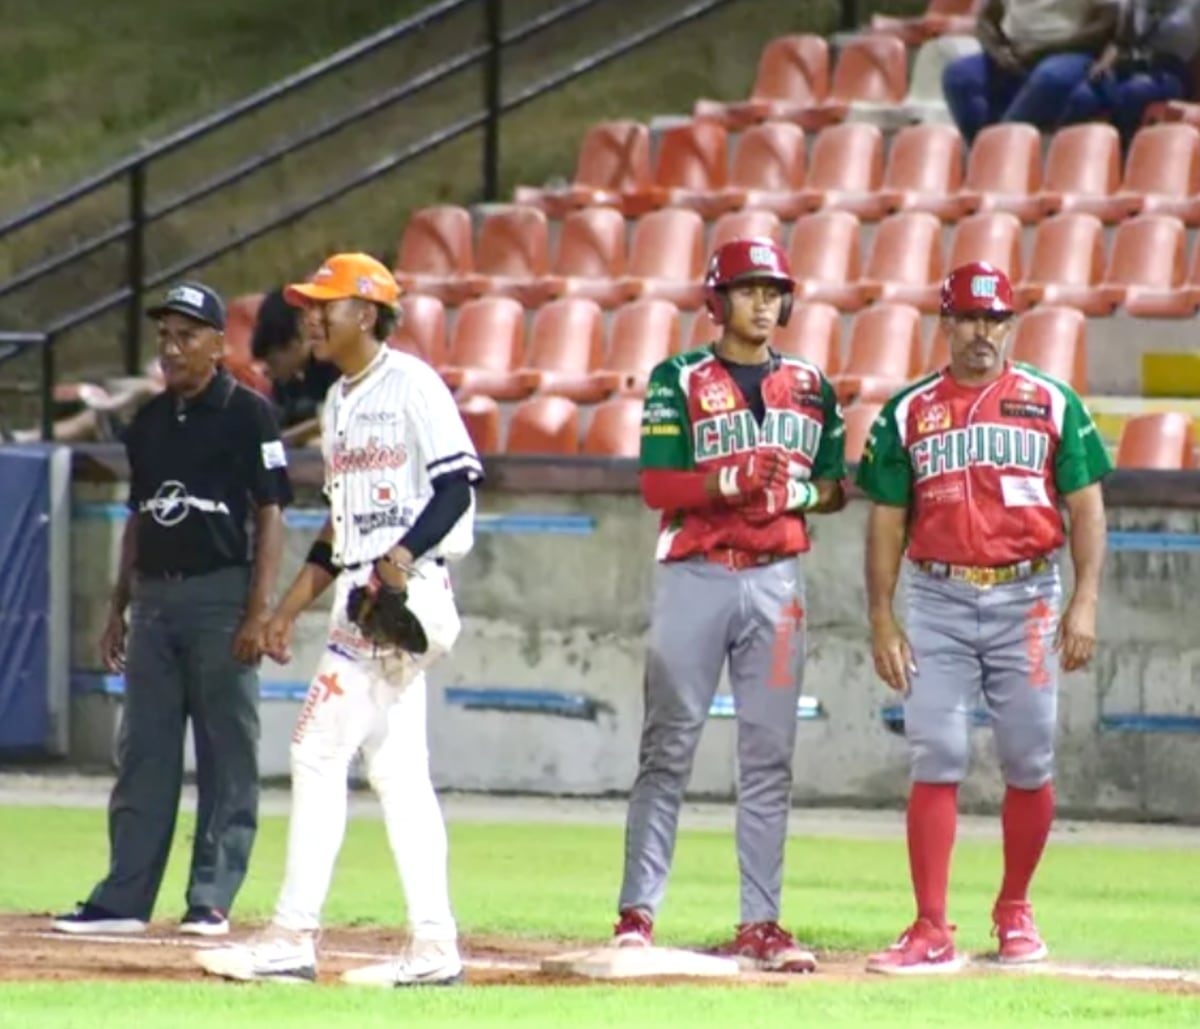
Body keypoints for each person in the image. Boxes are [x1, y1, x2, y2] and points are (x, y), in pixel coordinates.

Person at [196, 252, 483, 986]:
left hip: (401, 591)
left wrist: (399, 557)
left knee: (317, 750)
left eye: (326, 303)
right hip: (363, 589)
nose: (311, 316)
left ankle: (292, 936)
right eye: (310, 304)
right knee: (397, 773)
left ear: (367, 310)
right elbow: (338, 527)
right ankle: (434, 945)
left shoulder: (412, 383)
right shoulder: (340, 402)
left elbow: (457, 485)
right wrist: (285, 610)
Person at [856, 262, 1111, 975]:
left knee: (1030, 758)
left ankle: (1015, 908)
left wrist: (1083, 599)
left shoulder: (1050, 401)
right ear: (945, 324)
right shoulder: (909, 411)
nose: (982, 332)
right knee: (936, 752)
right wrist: (882, 615)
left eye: (995, 319)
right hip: (936, 597)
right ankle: (931, 924)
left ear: (1012, 325)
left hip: (1026, 595)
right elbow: (886, 519)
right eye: (968, 318)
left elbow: (1086, 505)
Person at [612, 238, 847, 973]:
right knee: (668, 746)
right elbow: (657, 485)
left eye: (773, 290)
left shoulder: (810, 383)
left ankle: (762, 920)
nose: (763, 303)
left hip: (778, 581)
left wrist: (796, 493)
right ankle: (637, 912)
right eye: (747, 290)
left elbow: (837, 484)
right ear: (717, 300)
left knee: (769, 755)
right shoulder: (677, 377)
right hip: (698, 574)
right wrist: (730, 480)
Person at [52, 281, 292, 938]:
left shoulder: (250, 414)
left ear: (219, 343)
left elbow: (271, 513)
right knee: (143, 755)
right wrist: (117, 605)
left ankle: (210, 896)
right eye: (164, 334)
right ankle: (124, 897)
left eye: (187, 334)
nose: (172, 347)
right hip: (155, 600)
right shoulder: (150, 423)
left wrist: (258, 609)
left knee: (226, 753)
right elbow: (138, 517)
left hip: (221, 596)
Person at [942, 0, 1121, 141]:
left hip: (1071, 51)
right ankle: (981, 150)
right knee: (958, 75)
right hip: (1014, 51)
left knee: (1051, 76)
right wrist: (997, 51)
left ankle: (1000, 147)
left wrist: (1043, 51)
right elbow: (986, 19)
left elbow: (1106, 25)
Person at [1064, 0, 1200, 142]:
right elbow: (1120, 42)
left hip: (1169, 71)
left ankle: (1121, 155)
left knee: (1132, 93)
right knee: (1084, 97)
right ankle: (1068, 153)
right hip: (1129, 64)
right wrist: (1104, 65)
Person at [251, 287, 340, 445]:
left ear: (294, 345)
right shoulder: (286, 383)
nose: (270, 372)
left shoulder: (338, 362)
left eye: (274, 362)